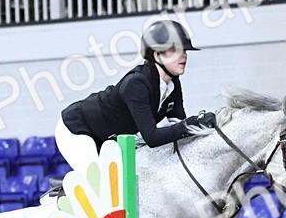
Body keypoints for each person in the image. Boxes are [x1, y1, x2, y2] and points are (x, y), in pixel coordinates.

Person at [53, 19, 216, 172]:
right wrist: (193, 123)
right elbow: (152, 137)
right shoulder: (136, 84)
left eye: (185, 50)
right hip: (77, 128)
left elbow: (180, 126)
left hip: (109, 139)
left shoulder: (173, 85)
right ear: (156, 55)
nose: (183, 56)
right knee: (99, 183)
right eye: (174, 50)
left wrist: (203, 128)